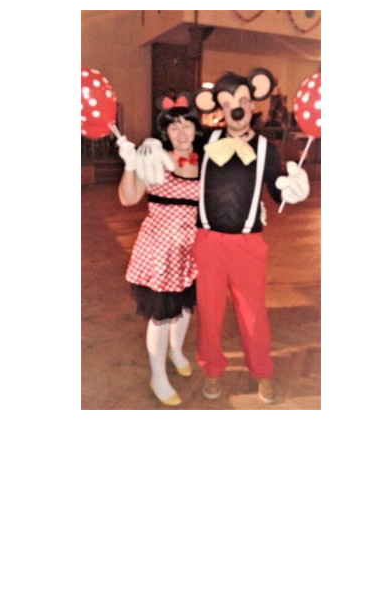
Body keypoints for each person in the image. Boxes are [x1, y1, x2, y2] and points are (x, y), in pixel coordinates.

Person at [192, 69, 309, 404]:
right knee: (209, 313)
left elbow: (274, 187)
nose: (237, 109)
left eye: (243, 100)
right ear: (220, 108)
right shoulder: (204, 142)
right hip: (207, 242)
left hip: (247, 245)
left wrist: (290, 189)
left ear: (253, 104)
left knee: (253, 314)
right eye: (229, 103)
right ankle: (212, 369)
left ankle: (262, 371)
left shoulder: (266, 149)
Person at [115, 95, 202, 407]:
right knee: (162, 315)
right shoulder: (154, 159)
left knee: (185, 307)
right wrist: (130, 165)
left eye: (186, 125)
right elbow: (128, 198)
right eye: (173, 126)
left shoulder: (206, 162)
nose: (181, 132)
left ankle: (176, 351)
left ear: (195, 129)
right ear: (165, 131)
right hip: (160, 251)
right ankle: (158, 375)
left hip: (193, 249)